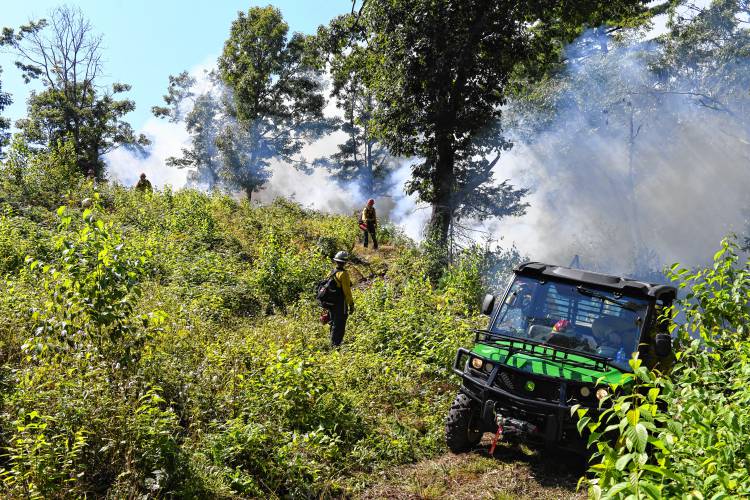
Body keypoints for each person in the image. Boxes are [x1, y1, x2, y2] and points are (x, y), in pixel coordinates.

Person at [327, 251, 355, 347]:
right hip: (340, 303)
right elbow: (347, 292)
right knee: (339, 325)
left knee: (333, 323)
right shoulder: (344, 274)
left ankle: (332, 343)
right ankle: (335, 347)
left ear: (336, 261)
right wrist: (351, 304)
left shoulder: (331, 272)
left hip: (331, 303)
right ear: (345, 262)